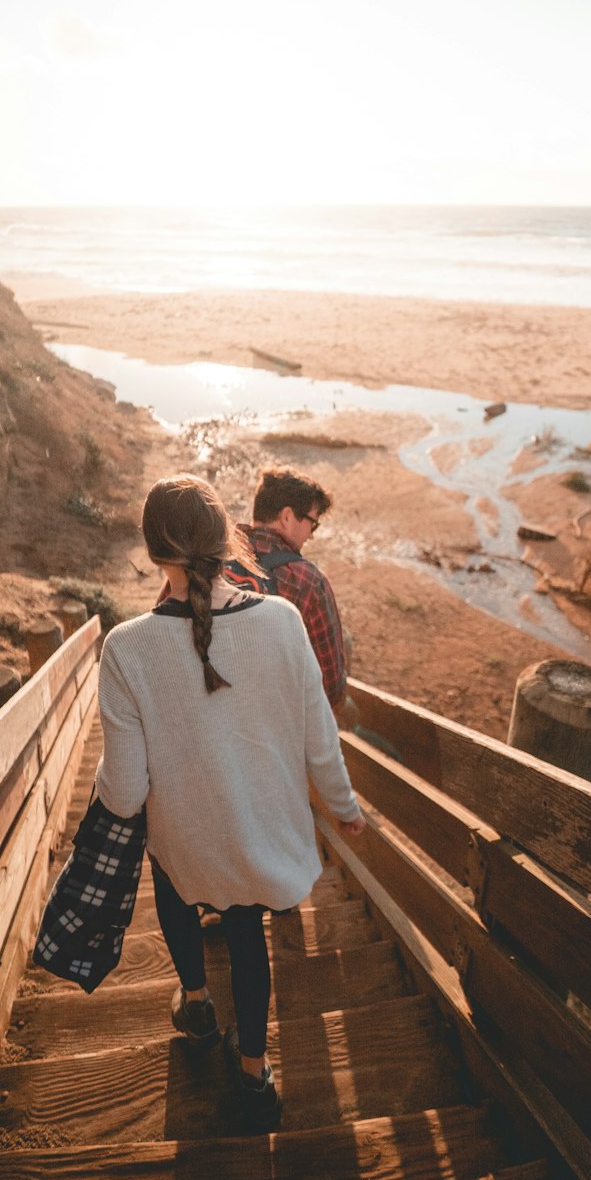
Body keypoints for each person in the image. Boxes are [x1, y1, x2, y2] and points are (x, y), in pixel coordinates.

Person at [95, 474, 365, 1134]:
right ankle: (253, 1073)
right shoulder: (281, 620)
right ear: (229, 540)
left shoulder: (125, 648)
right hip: (257, 837)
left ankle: (195, 1002)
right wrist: (345, 808)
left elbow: (125, 793)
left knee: (171, 871)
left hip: (186, 843)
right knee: (248, 932)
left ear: (156, 552)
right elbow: (319, 740)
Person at [234, 467, 347, 710]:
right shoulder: (308, 581)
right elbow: (330, 686)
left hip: (209, 727)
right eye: (312, 524)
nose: (311, 536)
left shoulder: (208, 558)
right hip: (271, 729)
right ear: (287, 517)